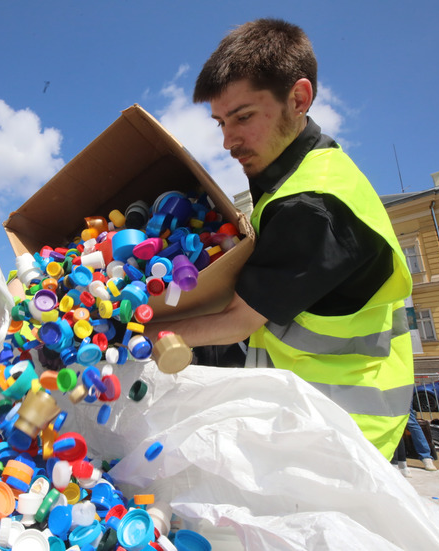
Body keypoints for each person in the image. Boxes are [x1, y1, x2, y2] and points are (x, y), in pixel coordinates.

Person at [147, 19, 414, 460]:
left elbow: (237, 321)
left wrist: (137, 331)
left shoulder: (312, 203)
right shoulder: (300, 177)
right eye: (220, 123)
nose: (229, 140)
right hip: (312, 414)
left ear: (299, 98)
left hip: (338, 433)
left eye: (244, 117)